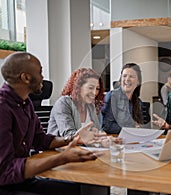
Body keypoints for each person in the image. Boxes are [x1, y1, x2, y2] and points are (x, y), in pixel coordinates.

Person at [0, 52, 99, 194]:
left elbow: (41, 140)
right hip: (5, 185)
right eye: (40, 72)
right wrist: (61, 158)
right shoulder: (3, 108)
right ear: (26, 77)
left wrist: (74, 138)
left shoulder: (25, 103)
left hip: (22, 180)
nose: (42, 77)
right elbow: (5, 171)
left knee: (77, 190)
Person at [47, 68, 108, 147]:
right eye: (90, 87)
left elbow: (97, 131)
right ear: (78, 87)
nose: (95, 93)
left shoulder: (90, 106)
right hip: (60, 152)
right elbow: (68, 135)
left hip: (84, 150)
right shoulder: (63, 103)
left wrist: (105, 138)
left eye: (97, 89)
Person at [101, 63, 149, 134]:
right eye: (124, 76)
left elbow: (138, 125)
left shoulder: (138, 102)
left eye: (131, 76)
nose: (127, 79)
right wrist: (130, 129)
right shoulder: (113, 96)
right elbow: (107, 126)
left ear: (138, 82)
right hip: (114, 140)